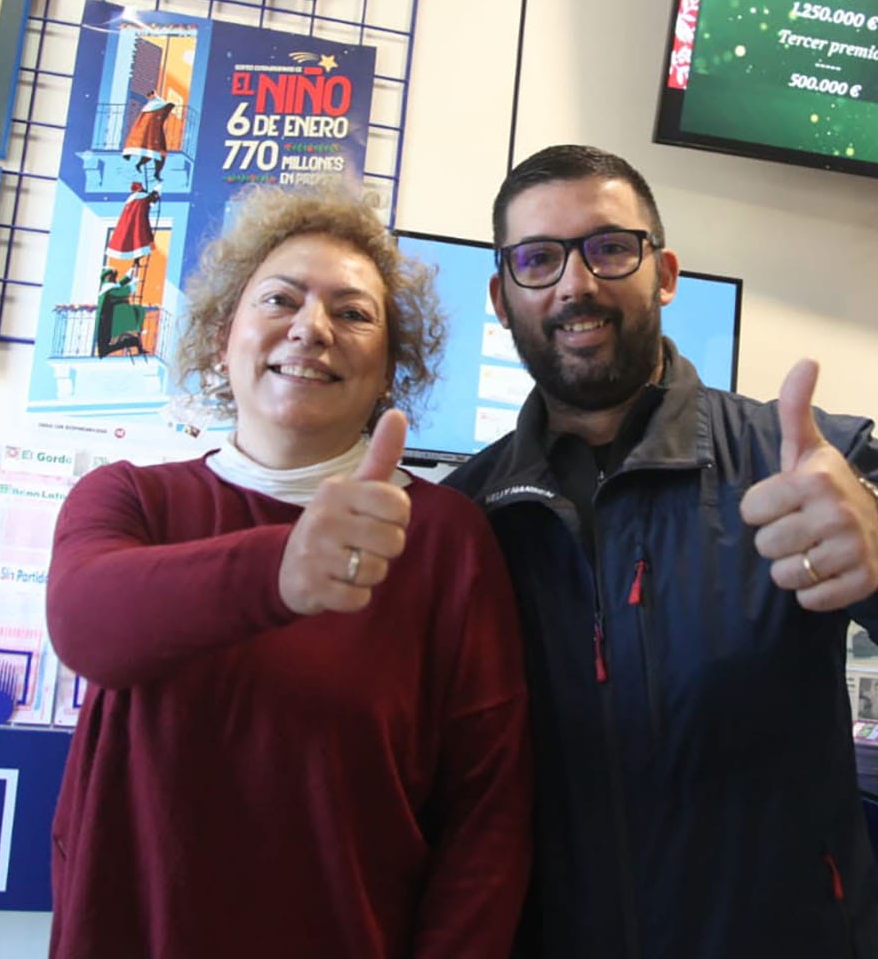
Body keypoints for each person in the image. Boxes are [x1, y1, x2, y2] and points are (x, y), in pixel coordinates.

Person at [445, 145, 878, 959]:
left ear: (665, 274)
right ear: (502, 297)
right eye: (538, 259)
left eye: (609, 248)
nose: (576, 284)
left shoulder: (795, 464)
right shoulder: (465, 521)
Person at [46, 185, 532, 958]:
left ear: (388, 372)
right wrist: (280, 570)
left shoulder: (444, 537)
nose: (311, 328)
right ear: (221, 338)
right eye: (280, 299)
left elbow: (487, 816)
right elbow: (86, 625)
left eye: (353, 313)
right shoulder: (130, 499)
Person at [122, 92, 181, 180]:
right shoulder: (155, 109)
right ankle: (145, 167)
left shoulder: (153, 109)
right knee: (153, 152)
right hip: (153, 136)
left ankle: (154, 172)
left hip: (157, 134)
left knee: (158, 154)